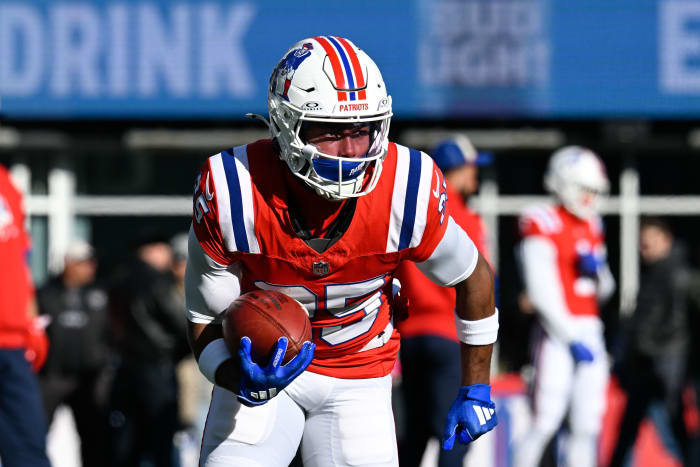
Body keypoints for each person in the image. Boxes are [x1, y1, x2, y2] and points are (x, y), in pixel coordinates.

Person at [185, 36, 499, 467]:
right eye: (330, 132)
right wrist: (234, 374)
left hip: (360, 375)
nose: (351, 151)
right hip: (265, 371)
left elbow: (474, 276)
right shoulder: (232, 188)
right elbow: (203, 320)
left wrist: (476, 387)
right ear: (283, 125)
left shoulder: (406, 188)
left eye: (361, 130)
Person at [394, 135, 493, 467]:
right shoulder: (465, 216)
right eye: (472, 169)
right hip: (448, 335)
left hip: (411, 336)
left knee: (415, 435)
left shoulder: (415, 209)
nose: (475, 177)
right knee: (453, 435)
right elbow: (478, 283)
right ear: (458, 170)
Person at [513, 146, 616, 467]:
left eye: (594, 191)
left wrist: (596, 272)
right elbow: (541, 291)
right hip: (558, 331)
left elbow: (606, 290)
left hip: (590, 329)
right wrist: (570, 336)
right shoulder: (542, 220)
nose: (589, 198)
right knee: (544, 419)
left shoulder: (593, 225)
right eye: (585, 189)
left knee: (587, 424)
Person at [609, 217, 691, 466]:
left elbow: (673, 325)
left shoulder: (679, 276)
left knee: (672, 431)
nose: (644, 247)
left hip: (664, 368)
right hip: (647, 367)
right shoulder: (653, 274)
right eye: (642, 243)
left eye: (650, 241)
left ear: (666, 240)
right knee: (630, 431)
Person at [107, 232, 190, 467]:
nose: (169, 256)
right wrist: (184, 349)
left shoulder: (119, 279)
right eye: (164, 249)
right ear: (150, 250)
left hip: (126, 366)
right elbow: (180, 323)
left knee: (128, 436)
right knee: (161, 436)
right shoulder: (157, 282)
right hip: (158, 368)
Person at [37, 239, 111, 467]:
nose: (89, 268)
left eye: (90, 263)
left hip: (90, 377)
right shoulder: (45, 293)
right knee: (35, 432)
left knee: (95, 440)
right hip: (52, 376)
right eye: (82, 263)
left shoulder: (101, 294)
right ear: (68, 264)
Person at [0, 163, 51, 467]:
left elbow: (21, 260)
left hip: (14, 344)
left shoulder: (5, 182)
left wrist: (33, 322)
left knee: (29, 451)